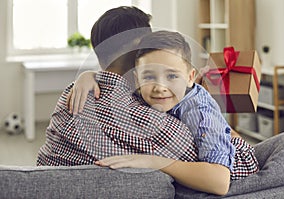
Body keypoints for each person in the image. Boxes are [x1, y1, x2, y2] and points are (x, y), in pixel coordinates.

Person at [37, 6, 233, 195]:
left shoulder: (71, 94)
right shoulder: (156, 123)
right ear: (138, 48)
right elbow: (225, 168)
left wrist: (89, 74)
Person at [94, 30, 258, 181]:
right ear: (137, 79)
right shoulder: (140, 92)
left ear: (190, 77)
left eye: (172, 76)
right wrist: (89, 77)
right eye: (149, 76)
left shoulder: (199, 112)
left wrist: (152, 162)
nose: (160, 87)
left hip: (237, 164)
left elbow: (219, 181)